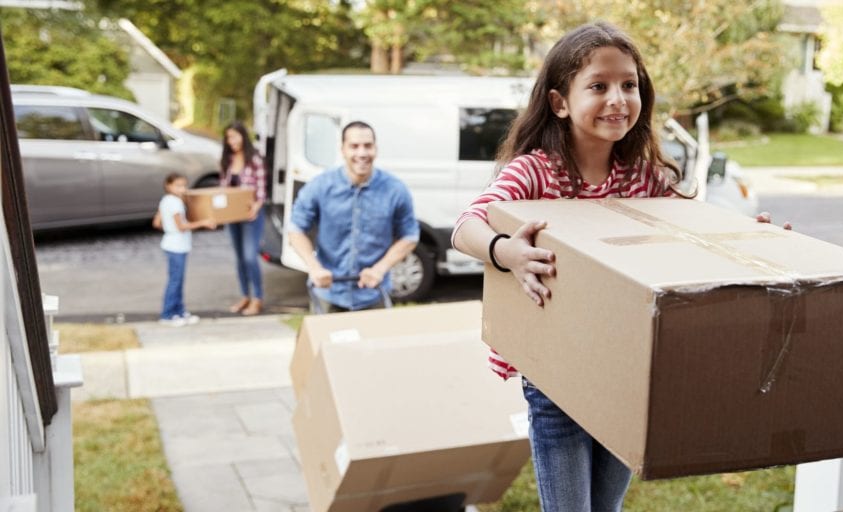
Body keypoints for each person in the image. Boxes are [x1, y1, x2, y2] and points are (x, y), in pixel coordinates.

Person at [451, 22, 788, 511]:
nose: (618, 98)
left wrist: (752, 238)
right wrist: (508, 251)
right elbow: (466, 225)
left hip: (625, 371)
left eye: (629, 85)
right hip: (556, 377)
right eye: (598, 86)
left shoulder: (644, 176)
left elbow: (691, 232)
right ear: (559, 102)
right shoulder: (536, 171)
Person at [288, 121, 419, 312]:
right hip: (328, 295)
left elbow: (410, 236)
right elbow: (295, 229)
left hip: (374, 293)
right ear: (342, 149)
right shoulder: (319, 186)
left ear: (376, 148)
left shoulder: (395, 190)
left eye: (368, 146)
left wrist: (380, 269)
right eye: (354, 146)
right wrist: (314, 267)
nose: (362, 153)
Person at [220, 121, 267, 316]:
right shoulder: (227, 160)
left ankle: (257, 298)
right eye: (228, 137)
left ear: (243, 136)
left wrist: (255, 207)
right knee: (239, 258)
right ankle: (244, 296)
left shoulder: (254, 158)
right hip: (233, 216)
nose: (231, 141)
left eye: (234, 136)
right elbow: (223, 189)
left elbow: (262, 190)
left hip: (251, 215)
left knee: (250, 256)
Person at [156, 172, 215, 327]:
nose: (182, 189)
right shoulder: (175, 203)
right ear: (168, 186)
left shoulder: (165, 201)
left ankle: (179, 311)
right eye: (178, 185)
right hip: (177, 246)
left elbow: (157, 222)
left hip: (171, 243)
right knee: (176, 281)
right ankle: (168, 314)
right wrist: (204, 222)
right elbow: (181, 226)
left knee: (178, 280)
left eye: (184, 185)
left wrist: (168, 228)